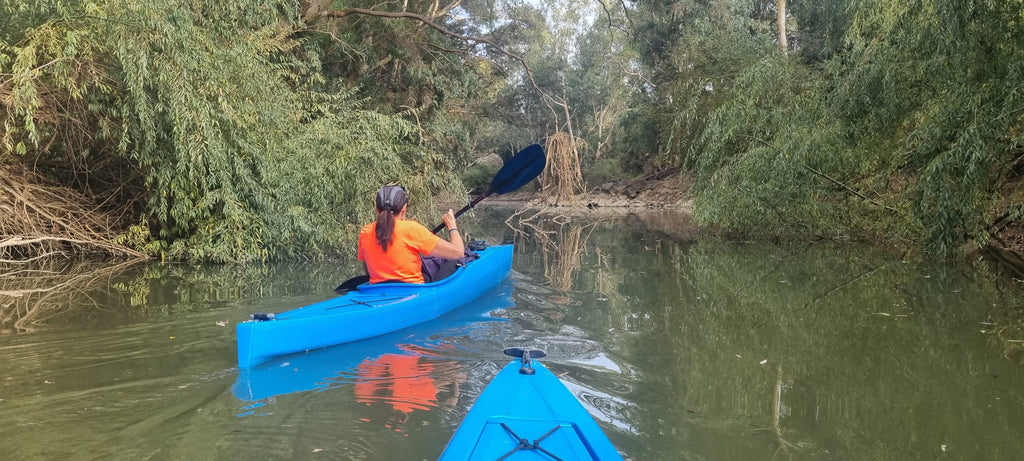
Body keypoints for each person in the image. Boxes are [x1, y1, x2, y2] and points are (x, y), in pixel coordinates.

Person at [358, 185, 464, 284]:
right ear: (404, 208)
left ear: (377, 209)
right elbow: (458, 252)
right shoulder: (412, 229)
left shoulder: (365, 231)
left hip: (377, 288)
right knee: (455, 261)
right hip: (413, 289)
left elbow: (367, 267)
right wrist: (452, 226)